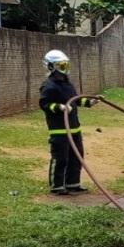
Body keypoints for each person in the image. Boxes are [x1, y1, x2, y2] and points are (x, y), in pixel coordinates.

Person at [39, 49, 98, 195]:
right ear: (51, 67)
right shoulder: (49, 86)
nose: (64, 69)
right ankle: (57, 186)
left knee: (76, 156)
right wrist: (59, 107)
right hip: (59, 130)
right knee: (60, 158)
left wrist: (90, 102)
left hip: (74, 128)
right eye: (61, 66)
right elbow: (45, 104)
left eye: (65, 65)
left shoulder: (67, 84)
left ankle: (73, 183)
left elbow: (75, 99)